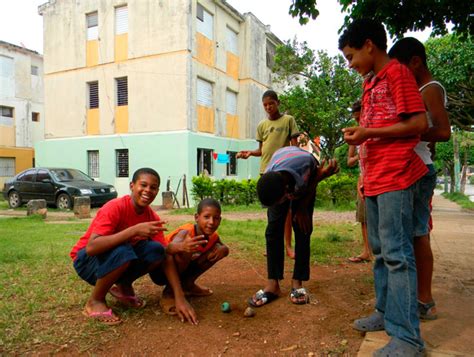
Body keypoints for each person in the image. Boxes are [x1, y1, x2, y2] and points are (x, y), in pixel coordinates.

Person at [339, 19, 429, 356]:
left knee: (397, 255)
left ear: (369, 45)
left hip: (395, 177)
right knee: (380, 253)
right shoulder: (370, 81)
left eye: (351, 56)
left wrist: (370, 134)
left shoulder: (398, 74)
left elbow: (419, 123)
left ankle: (408, 338)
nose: (350, 64)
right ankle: (384, 312)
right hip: (374, 178)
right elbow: (377, 126)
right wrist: (363, 135)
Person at [70, 168, 197, 325]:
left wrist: (179, 297)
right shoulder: (115, 207)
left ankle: (123, 286)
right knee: (124, 250)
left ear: (157, 191)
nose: (148, 190)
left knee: (155, 249)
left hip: (115, 260)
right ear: (132, 185)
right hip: (86, 261)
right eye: (143, 185)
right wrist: (134, 230)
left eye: (153, 187)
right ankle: (95, 301)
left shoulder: (151, 216)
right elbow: (91, 248)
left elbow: (163, 254)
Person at [389, 37, 451, 320]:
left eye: (401, 69)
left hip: (419, 169)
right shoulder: (419, 89)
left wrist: (410, 131)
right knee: (413, 236)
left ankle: (424, 299)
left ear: (415, 62)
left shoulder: (430, 89)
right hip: (413, 166)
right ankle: (417, 297)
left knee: (417, 235)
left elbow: (443, 131)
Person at [248, 146, 338, 307]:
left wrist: (302, 207)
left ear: (286, 192)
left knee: (303, 228)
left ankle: (297, 282)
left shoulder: (305, 166)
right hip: (281, 166)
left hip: (308, 176)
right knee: (273, 230)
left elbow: (312, 182)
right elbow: (275, 204)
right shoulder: (271, 177)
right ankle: (272, 285)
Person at [237, 89, 300, 259]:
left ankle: (288, 246)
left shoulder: (288, 120)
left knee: (286, 210)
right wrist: (250, 153)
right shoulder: (261, 126)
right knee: (272, 211)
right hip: (266, 171)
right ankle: (273, 244)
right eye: (265, 105)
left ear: (278, 103)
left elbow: (295, 148)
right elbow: (261, 150)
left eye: (271, 103)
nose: (268, 107)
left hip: (284, 172)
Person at [150, 198, 229, 314]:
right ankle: (169, 293)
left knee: (216, 251)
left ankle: (188, 284)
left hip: (181, 270)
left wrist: (224, 249)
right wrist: (182, 246)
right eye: (206, 217)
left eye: (216, 218)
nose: (211, 222)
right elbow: (169, 249)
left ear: (220, 220)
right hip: (161, 271)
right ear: (197, 217)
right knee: (188, 249)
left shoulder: (213, 237)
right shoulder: (186, 232)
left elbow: (222, 247)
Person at [346, 100, 372, 263]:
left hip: (377, 176)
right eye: (355, 118)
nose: (358, 121)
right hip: (363, 179)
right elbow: (349, 161)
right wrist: (359, 155)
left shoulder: (372, 128)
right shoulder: (355, 133)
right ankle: (366, 251)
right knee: (363, 218)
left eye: (359, 117)